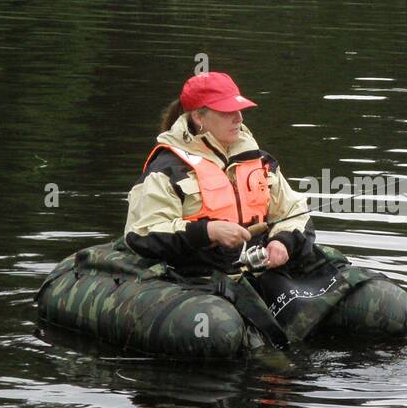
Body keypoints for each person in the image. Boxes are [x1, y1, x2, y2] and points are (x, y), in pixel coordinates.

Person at [125, 72, 314, 276]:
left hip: (256, 271)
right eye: (227, 112)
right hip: (192, 280)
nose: (238, 118)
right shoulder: (166, 169)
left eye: (239, 110)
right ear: (198, 117)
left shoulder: (261, 161)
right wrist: (208, 232)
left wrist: (282, 241)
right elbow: (143, 232)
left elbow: (294, 212)